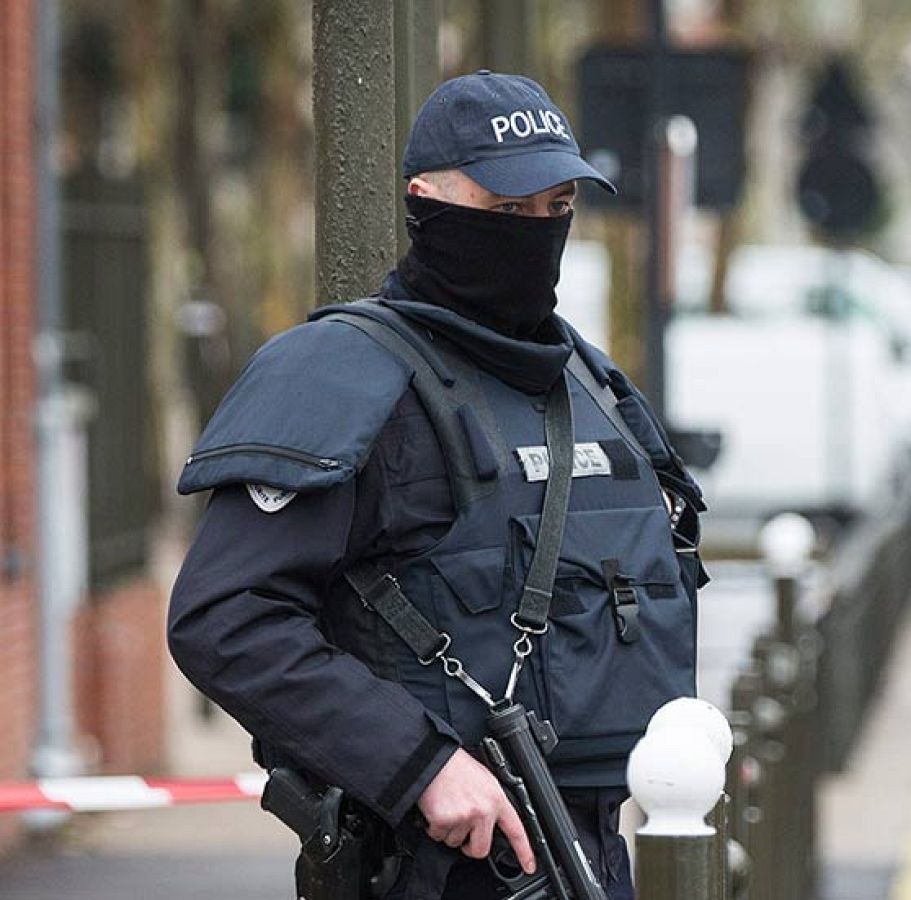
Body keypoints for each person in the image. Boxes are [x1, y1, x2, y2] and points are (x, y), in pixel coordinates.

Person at [167, 71, 706, 900]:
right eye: (506, 210)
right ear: (425, 200)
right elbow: (224, 619)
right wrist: (419, 766)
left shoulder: (592, 386)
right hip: (426, 864)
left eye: (556, 208)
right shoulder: (338, 378)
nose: (537, 231)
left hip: (589, 855)